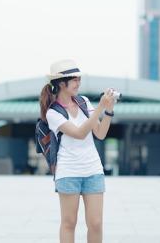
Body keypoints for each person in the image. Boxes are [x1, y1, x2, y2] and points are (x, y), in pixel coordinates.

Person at [39, 59, 116, 243]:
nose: (78, 83)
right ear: (61, 83)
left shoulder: (84, 102)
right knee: (69, 223)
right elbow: (80, 133)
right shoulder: (53, 112)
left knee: (96, 224)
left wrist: (108, 111)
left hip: (93, 170)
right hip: (68, 172)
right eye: (74, 79)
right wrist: (100, 107)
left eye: (79, 79)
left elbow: (100, 133)